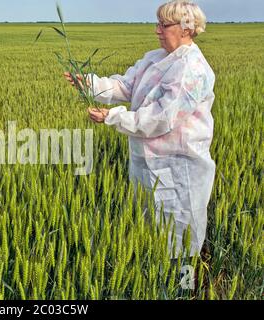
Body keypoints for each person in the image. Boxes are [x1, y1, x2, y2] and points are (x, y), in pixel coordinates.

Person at [64, 0, 216, 259]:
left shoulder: (192, 70)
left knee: (179, 237)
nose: (157, 30)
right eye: (157, 23)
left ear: (187, 28)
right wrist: (88, 83)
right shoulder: (156, 58)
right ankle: (157, 281)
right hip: (146, 164)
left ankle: (185, 286)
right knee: (151, 230)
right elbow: (125, 86)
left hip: (177, 167)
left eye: (164, 25)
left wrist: (113, 117)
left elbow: (160, 119)